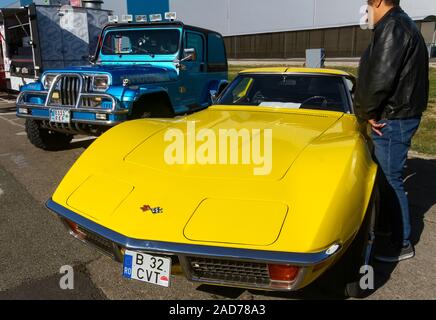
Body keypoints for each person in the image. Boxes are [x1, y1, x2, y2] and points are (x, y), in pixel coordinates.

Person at [355, 0, 429, 262]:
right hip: (394, 115)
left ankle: (401, 242)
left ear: (376, 1)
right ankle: (389, 230)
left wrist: (366, 113)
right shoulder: (396, 24)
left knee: (390, 179)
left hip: (393, 118)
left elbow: (379, 79)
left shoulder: (394, 27)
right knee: (387, 178)